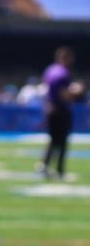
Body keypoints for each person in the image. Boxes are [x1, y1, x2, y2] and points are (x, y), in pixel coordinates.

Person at [37, 47, 81, 179]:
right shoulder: (63, 73)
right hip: (60, 109)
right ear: (65, 58)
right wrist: (76, 93)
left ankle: (43, 165)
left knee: (53, 139)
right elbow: (64, 95)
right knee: (62, 141)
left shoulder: (50, 70)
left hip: (50, 107)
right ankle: (59, 170)